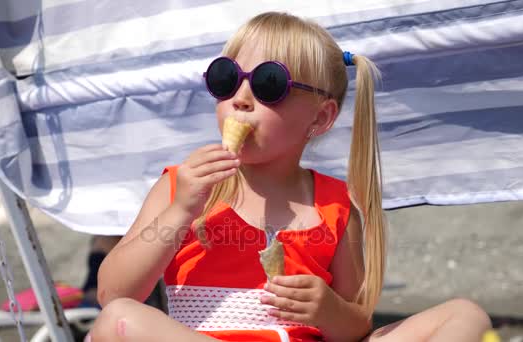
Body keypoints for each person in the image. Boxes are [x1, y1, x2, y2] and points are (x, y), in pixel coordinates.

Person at [88, 12, 491, 341]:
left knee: (464, 315)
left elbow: (356, 326)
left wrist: (328, 311)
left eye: (268, 84)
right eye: (226, 79)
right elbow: (114, 293)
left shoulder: (335, 205)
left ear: (320, 117)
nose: (240, 99)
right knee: (120, 319)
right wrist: (179, 212)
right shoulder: (182, 186)